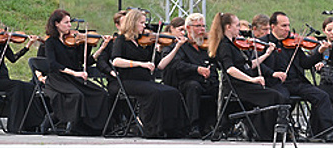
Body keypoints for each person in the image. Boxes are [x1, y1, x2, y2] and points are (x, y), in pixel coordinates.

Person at [208, 12, 286, 141]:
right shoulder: (224, 46)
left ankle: (268, 133)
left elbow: (249, 65)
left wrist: (266, 54)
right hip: (238, 87)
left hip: (245, 84)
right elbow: (230, 69)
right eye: (237, 25)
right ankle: (267, 134)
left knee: (274, 95)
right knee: (274, 96)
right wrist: (252, 79)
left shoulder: (233, 44)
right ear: (228, 27)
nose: (239, 29)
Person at [111, 8, 189, 138]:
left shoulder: (146, 42)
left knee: (172, 92)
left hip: (145, 80)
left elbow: (161, 65)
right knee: (155, 93)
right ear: (133, 22)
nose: (144, 26)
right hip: (128, 81)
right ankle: (152, 129)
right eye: (141, 23)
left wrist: (176, 47)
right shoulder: (121, 40)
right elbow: (116, 61)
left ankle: (171, 129)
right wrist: (140, 64)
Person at [260, 11, 333, 136]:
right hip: (276, 83)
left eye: (288, 25)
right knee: (282, 98)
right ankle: (281, 132)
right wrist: (273, 73)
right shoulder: (264, 43)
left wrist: (319, 52)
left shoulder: (293, 43)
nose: (288, 29)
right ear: (273, 27)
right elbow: (258, 65)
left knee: (322, 96)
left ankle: (330, 131)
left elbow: (305, 63)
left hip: (296, 82)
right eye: (283, 26)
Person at [44, 9, 110, 135]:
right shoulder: (50, 42)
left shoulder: (74, 41)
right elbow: (52, 64)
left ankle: (94, 128)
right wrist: (75, 73)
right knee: (77, 95)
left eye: (70, 22)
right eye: (66, 23)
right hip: (58, 79)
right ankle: (71, 125)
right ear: (57, 24)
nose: (70, 26)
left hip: (74, 79)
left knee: (101, 93)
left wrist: (102, 47)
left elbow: (87, 61)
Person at [171, 13, 219, 138]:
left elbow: (214, 64)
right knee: (193, 87)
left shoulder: (205, 46)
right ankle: (194, 126)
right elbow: (178, 65)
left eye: (203, 26)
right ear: (188, 28)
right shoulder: (182, 45)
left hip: (205, 81)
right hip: (187, 81)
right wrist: (196, 69)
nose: (202, 30)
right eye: (198, 26)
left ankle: (215, 124)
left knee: (220, 88)